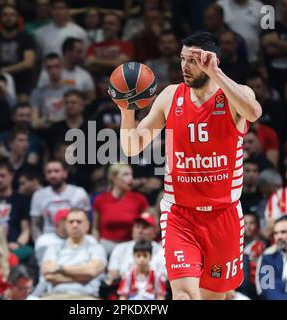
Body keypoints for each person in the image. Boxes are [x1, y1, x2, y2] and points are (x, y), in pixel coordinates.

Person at [111, 31, 262, 300]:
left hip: (223, 215)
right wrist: (126, 109)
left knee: (214, 297)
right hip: (180, 215)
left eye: (192, 60)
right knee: (184, 297)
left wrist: (215, 73)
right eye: (182, 59)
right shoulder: (170, 96)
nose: (184, 66)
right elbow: (131, 146)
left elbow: (253, 111)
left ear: (211, 60)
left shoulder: (234, 96)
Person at [41, 208, 107, 300]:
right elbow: (48, 274)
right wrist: (83, 276)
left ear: (87, 225)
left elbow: (91, 271)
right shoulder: (54, 248)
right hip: (55, 295)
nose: (74, 225)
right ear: (66, 225)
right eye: (71, 222)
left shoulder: (97, 248)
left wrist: (60, 268)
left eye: (79, 222)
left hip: (86, 296)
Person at [93, 164, 149, 255]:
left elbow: (147, 225)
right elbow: (95, 228)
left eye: (131, 175)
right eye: (126, 175)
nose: (130, 178)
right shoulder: (100, 200)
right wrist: (96, 246)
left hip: (130, 246)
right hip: (106, 246)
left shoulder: (140, 199)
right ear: (114, 178)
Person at [30, 160, 90, 241]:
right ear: (45, 175)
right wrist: (38, 243)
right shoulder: (38, 195)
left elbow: (86, 221)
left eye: (56, 171)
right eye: (49, 172)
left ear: (65, 173)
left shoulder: (79, 193)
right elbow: (35, 225)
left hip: (74, 239)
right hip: (48, 239)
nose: (52, 175)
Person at [0, 4, 36, 96]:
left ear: (18, 18)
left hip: (22, 86)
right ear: (0, 18)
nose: (8, 18)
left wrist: (3, 70)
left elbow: (28, 63)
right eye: (5, 15)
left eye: (12, 15)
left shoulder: (26, 38)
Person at [107, 212, 166, 281]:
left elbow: (165, 277)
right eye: (137, 227)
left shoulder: (162, 251)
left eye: (145, 227)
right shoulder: (120, 248)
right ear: (133, 229)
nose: (140, 231)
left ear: (154, 232)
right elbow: (113, 274)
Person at [37, 37, 95, 104]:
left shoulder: (85, 75)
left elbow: (91, 99)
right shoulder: (47, 73)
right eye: (79, 52)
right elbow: (39, 95)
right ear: (68, 52)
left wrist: (76, 105)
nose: (82, 55)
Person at [31, 53, 72, 127]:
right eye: (50, 67)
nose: (53, 70)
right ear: (45, 69)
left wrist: (48, 120)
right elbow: (34, 122)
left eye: (57, 66)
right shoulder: (37, 92)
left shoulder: (71, 91)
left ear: (62, 66)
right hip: (46, 131)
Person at [238, 211, 266, 300]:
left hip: (253, 287)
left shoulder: (260, 246)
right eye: (245, 223)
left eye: (252, 223)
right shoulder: (237, 245)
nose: (248, 227)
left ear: (257, 226)